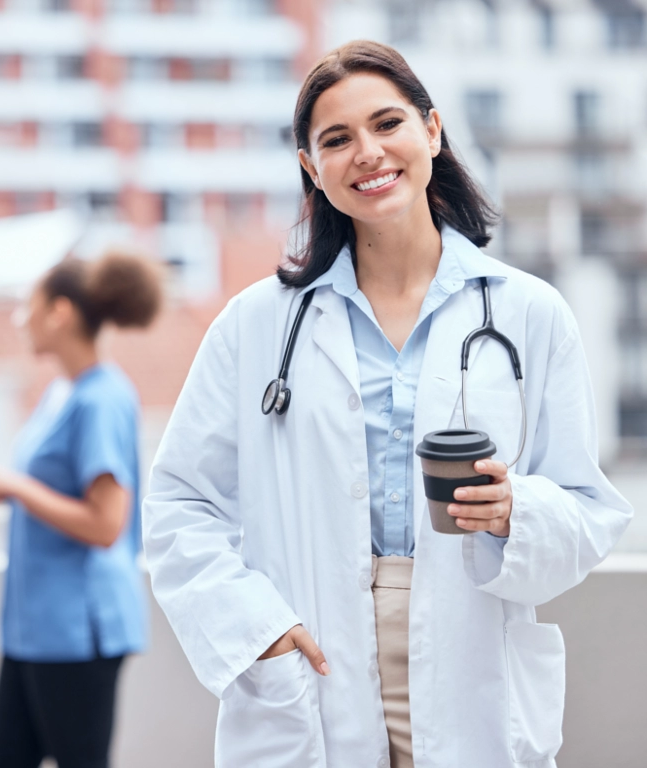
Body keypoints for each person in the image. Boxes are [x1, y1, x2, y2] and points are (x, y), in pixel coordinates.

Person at [142, 40, 633, 768]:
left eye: (387, 124)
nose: (367, 153)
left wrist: (516, 512)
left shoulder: (529, 313)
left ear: (431, 131)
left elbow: (589, 508)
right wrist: (258, 629)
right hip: (312, 656)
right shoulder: (256, 326)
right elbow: (180, 503)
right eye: (336, 140)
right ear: (312, 167)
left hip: (471, 652)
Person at [0, 251, 162, 768]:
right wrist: (5, 489)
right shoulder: (60, 393)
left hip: (77, 630)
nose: (20, 319)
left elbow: (105, 523)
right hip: (33, 627)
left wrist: (14, 487)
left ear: (60, 313)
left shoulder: (102, 399)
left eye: (30, 306)